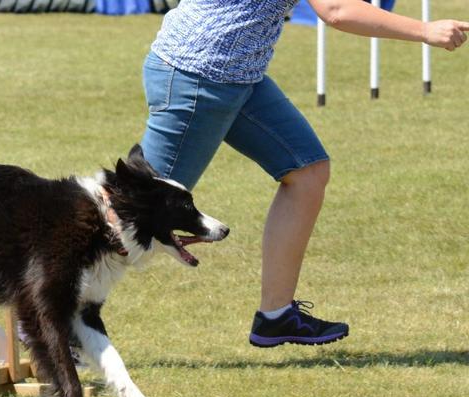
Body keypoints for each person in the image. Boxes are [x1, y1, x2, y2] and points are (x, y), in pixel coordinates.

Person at [140, 0, 469, 348]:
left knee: (306, 171)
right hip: (199, 75)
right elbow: (336, 9)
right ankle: (75, 328)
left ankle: (276, 316)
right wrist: (425, 30)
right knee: (138, 212)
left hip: (237, 75)